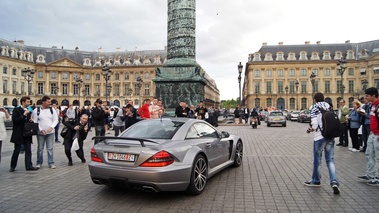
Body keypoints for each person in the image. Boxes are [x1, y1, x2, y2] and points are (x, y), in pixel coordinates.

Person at [304, 92, 340, 194]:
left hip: (319, 137)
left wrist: (310, 129)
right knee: (330, 160)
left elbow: (315, 125)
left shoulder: (315, 108)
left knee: (317, 161)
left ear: (315, 100)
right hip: (330, 136)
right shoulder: (328, 106)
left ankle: (316, 180)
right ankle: (334, 181)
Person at [9, 96, 38, 172]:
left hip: (27, 133)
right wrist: (24, 115)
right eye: (28, 102)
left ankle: (29, 165)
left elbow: (27, 121)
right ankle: (13, 166)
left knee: (28, 150)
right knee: (17, 150)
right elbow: (15, 121)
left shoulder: (29, 110)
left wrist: (31, 120)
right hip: (18, 133)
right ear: (23, 102)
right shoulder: (16, 110)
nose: (29, 103)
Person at [358, 87, 379, 186]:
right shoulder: (372, 106)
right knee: (369, 153)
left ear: (373, 96)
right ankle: (370, 174)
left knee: (378, 157)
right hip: (373, 133)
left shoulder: (378, 106)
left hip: (378, 135)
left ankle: (378, 178)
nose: (365, 97)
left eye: (367, 96)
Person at [32, 96, 59, 169]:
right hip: (41, 132)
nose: (50, 103)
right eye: (48, 102)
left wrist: (52, 127)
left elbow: (56, 120)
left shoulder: (52, 110)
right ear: (43, 102)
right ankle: (39, 162)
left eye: (50, 102)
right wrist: (41, 129)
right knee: (40, 148)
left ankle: (51, 162)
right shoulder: (36, 110)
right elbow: (35, 121)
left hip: (50, 132)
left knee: (50, 148)